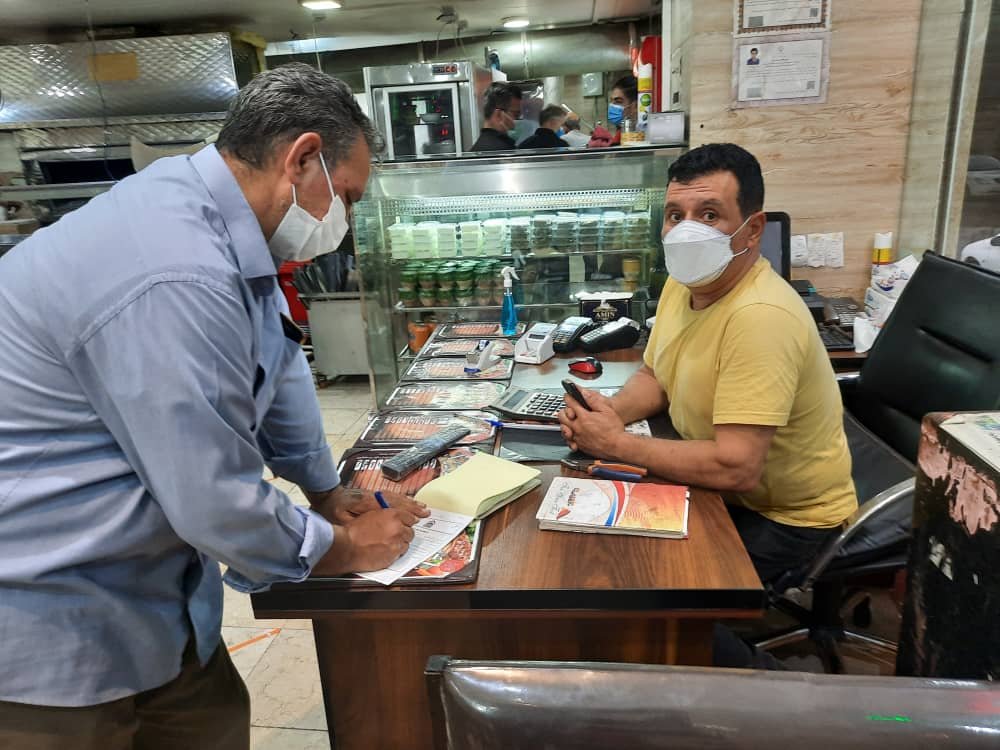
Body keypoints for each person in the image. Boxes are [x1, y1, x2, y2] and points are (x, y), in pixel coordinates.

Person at [0, 63, 429, 749]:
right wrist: (344, 549)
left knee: (214, 724)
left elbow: (278, 362)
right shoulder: (174, 266)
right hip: (52, 620)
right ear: (303, 159)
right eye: (346, 196)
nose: (344, 222)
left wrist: (324, 490)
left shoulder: (221, 224)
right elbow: (210, 495)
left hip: (155, 601)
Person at [558, 143, 857, 587]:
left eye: (710, 215)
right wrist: (610, 414)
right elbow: (655, 374)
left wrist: (616, 443)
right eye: (675, 215)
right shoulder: (686, 284)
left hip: (785, 520)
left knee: (645, 587)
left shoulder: (759, 317)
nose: (687, 231)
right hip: (720, 490)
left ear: (753, 230)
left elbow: (736, 467)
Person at [588, 73, 639, 148]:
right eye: (611, 101)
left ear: (635, 106)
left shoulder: (643, 134)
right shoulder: (620, 134)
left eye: (618, 101)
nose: (612, 106)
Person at [470, 82, 522, 152]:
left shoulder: (475, 149)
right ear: (499, 115)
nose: (519, 120)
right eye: (516, 115)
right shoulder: (504, 152)